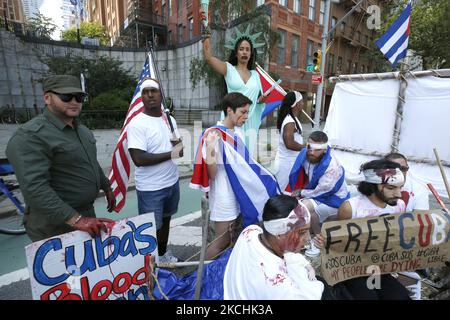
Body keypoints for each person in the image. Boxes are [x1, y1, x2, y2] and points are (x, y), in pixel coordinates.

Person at [6, 75, 115, 242]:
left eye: (79, 97)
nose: (74, 101)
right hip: (54, 224)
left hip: (86, 215)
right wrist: (76, 219)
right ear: (47, 98)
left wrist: (106, 187)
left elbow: (91, 162)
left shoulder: (82, 131)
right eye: (66, 96)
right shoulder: (31, 135)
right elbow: (34, 187)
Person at [316, 159, 411, 300]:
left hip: (381, 268)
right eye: (391, 188)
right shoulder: (351, 208)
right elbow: (339, 242)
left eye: (400, 187)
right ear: (373, 186)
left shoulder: (399, 206)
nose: (398, 194)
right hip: (354, 270)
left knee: (401, 297)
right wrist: (326, 242)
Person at [223, 194, 328, 300]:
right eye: (302, 233)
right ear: (279, 234)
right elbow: (312, 295)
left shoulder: (251, 231)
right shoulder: (276, 282)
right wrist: (317, 285)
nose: (308, 238)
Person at [127, 78, 184, 264]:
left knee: (166, 221)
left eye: (154, 90)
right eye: (145, 92)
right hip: (151, 188)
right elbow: (139, 159)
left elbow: (179, 148)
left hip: (171, 183)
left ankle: (162, 254)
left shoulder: (170, 119)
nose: (150, 95)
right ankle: (149, 266)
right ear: (141, 97)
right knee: (151, 229)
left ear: (161, 95)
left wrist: (178, 146)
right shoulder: (137, 123)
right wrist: (171, 153)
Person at [200, 9, 267, 156]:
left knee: (244, 160)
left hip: (248, 122)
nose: (244, 52)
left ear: (251, 53)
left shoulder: (257, 75)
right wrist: (206, 34)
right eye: (241, 49)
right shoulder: (228, 69)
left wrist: (263, 100)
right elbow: (209, 58)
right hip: (231, 121)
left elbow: (256, 101)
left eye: (247, 50)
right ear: (236, 53)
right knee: (227, 158)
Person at [202, 92, 252, 260]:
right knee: (219, 243)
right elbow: (212, 173)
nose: (246, 116)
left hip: (237, 195)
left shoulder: (238, 133)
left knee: (230, 240)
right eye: (243, 112)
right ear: (229, 111)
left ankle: (219, 275)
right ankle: (201, 278)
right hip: (224, 196)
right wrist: (210, 149)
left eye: (247, 112)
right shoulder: (213, 134)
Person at [289, 131, 349, 255]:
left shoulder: (332, 167)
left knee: (303, 207)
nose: (311, 152)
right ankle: (308, 238)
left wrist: (302, 192)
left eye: (316, 150)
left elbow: (323, 191)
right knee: (297, 205)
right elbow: (299, 174)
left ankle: (317, 241)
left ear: (325, 150)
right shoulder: (306, 154)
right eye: (309, 147)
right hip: (316, 192)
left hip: (334, 199)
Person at [274, 91, 305, 193]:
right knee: (279, 191)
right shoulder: (289, 121)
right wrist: (305, 147)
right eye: (301, 101)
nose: (303, 103)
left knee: (284, 189)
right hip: (285, 163)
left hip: (291, 161)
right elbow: (289, 143)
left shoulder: (292, 118)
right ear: (296, 104)